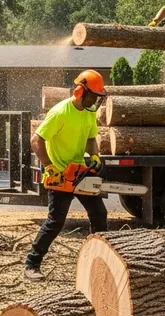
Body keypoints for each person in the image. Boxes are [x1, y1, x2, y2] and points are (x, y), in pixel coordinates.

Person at [25, 70, 109, 281]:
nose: (96, 101)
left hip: (80, 170)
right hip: (60, 173)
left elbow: (91, 138)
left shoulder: (88, 112)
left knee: (99, 214)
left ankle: (98, 260)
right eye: (94, 96)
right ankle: (32, 264)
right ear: (81, 90)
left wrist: (95, 155)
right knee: (55, 222)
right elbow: (36, 140)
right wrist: (50, 167)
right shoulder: (60, 112)